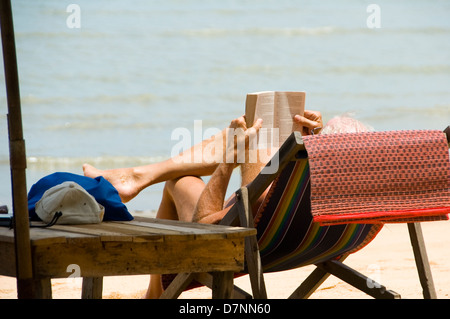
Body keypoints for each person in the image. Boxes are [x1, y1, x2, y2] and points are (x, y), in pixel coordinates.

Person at [83, 110, 324, 298]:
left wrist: (232, 158)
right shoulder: (326, 197)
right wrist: (315, 140)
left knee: (180, 179)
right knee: (185, 178)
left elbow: (204, 225)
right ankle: (137, 177)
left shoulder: (264, 199)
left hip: (244, 241)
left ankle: (136, 178)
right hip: (302, 240)